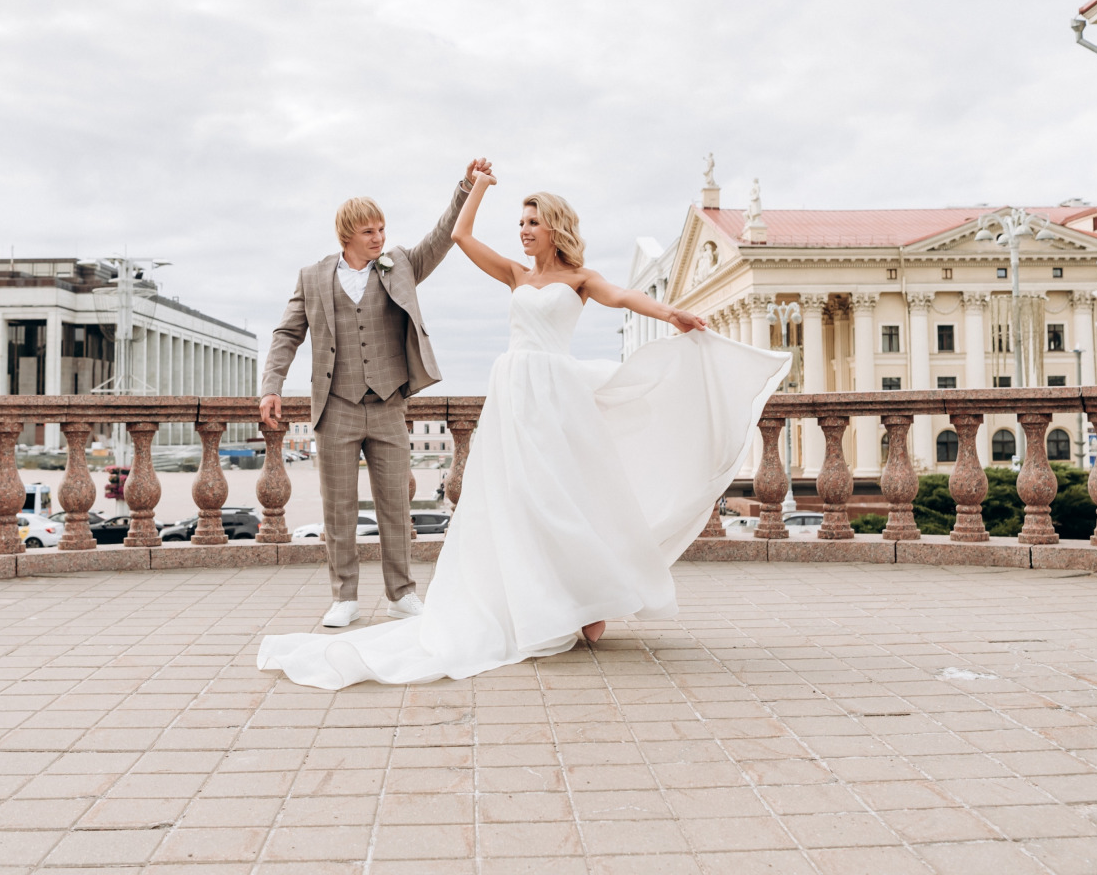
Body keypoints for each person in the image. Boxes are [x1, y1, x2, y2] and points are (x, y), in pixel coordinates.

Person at [258, 169, 790, 688]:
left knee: (567, 498)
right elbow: (461, 235)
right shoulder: (514, 274)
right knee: (514, 501)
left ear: (555, 227)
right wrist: (479, 188)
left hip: (558, 399)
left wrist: (672, 312)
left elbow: (626, 299)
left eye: (532, 222)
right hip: (510, 398)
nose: (524, 230)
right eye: (521, 223)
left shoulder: (580, 280)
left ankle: (587, 600)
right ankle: (515, 603)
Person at [259, 159, 491, 629]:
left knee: (394, 505)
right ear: (347, 234)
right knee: (338, 509)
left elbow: (442, 234)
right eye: (369, 231)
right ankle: (344, 597)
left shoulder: (401, 264)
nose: (379, 237)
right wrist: (271, 386)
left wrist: (467, 187)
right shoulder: (312, 277)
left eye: (382, 228)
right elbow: (287, 333)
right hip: (336, 407)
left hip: (388, 404)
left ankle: (401, 593)